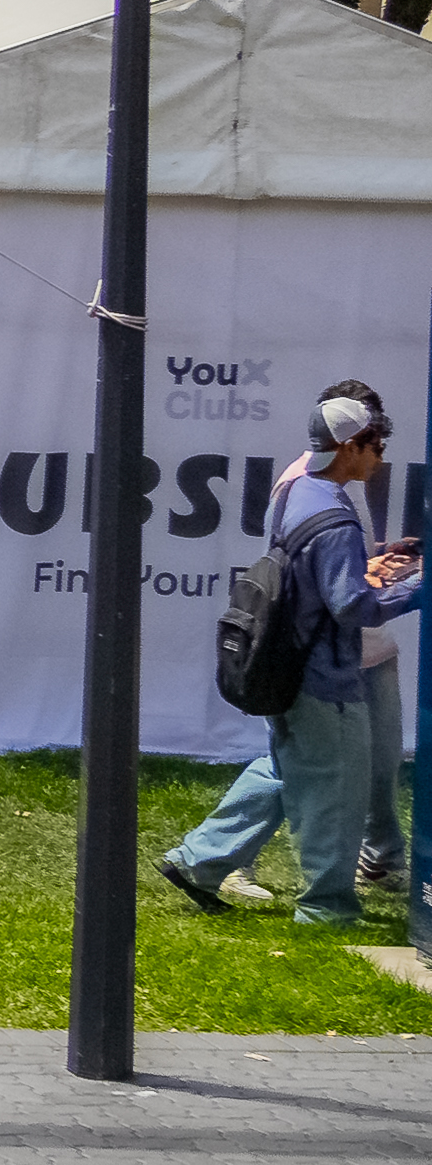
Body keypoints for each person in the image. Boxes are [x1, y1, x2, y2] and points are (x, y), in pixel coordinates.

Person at [163, 388, 424, 922]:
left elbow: (314, 570)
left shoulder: (298, 488)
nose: (380, 454)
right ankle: (326, 909)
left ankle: (199, 861)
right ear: (350, 446)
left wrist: (365, 560)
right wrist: (419, 587)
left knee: (284, 769)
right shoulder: (335, 516)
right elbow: (352, 607)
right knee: (338, 791)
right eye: (374, 443)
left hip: (281, 664)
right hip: (323, 679)